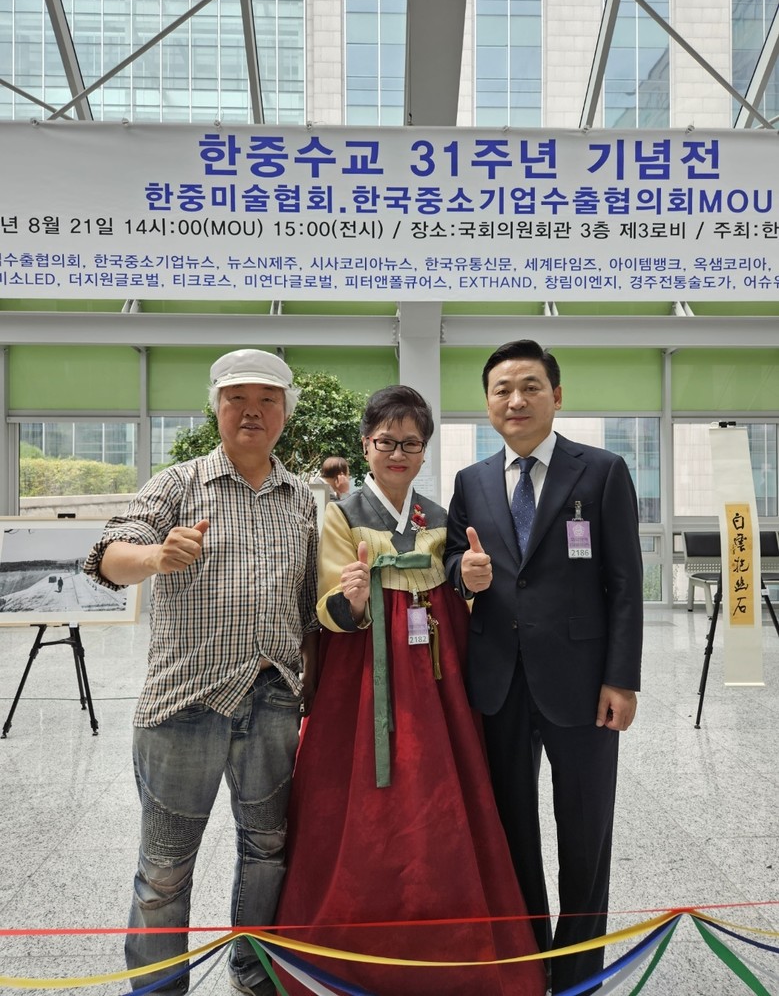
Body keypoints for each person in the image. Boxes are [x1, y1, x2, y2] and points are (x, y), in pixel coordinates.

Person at [275, 385, 546, 996]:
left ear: (424, 450)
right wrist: (350, 598)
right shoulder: (341, 514)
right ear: (365, 445)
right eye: (386, 442)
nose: (398, 454)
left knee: (441, 785)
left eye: (411, 443)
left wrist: (468, 578)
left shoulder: (437, 515)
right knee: (358, 798)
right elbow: (326, 601)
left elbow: (456, 582)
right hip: (363, 670)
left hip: (435, 667)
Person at [83, 348, 319, 996]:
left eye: (267, 400)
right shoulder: (178, 485)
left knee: (267, 851)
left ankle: (253, 968)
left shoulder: (302, 499)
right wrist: (156, 555)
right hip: (184, 706)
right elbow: (107, 558)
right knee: (164, 866)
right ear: (216, 408)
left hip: (273, 700)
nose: (252, 411)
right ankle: (158, 987)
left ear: (285, 413)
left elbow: (307, 609)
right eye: (237, 398)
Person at [444, 339, 643, 995]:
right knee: (511, 829)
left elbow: (625, 582)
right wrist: (465, 574)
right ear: (487, 403)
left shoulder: (602, 471)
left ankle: (579, 970)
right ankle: (528, 961)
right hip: (498, 681)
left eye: (530, 386)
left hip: (584, 684)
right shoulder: (471, 481)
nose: (516, 400)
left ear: (556, 396)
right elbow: (454, 563)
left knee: (585, 831)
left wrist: (622, 678)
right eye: (502, 389)